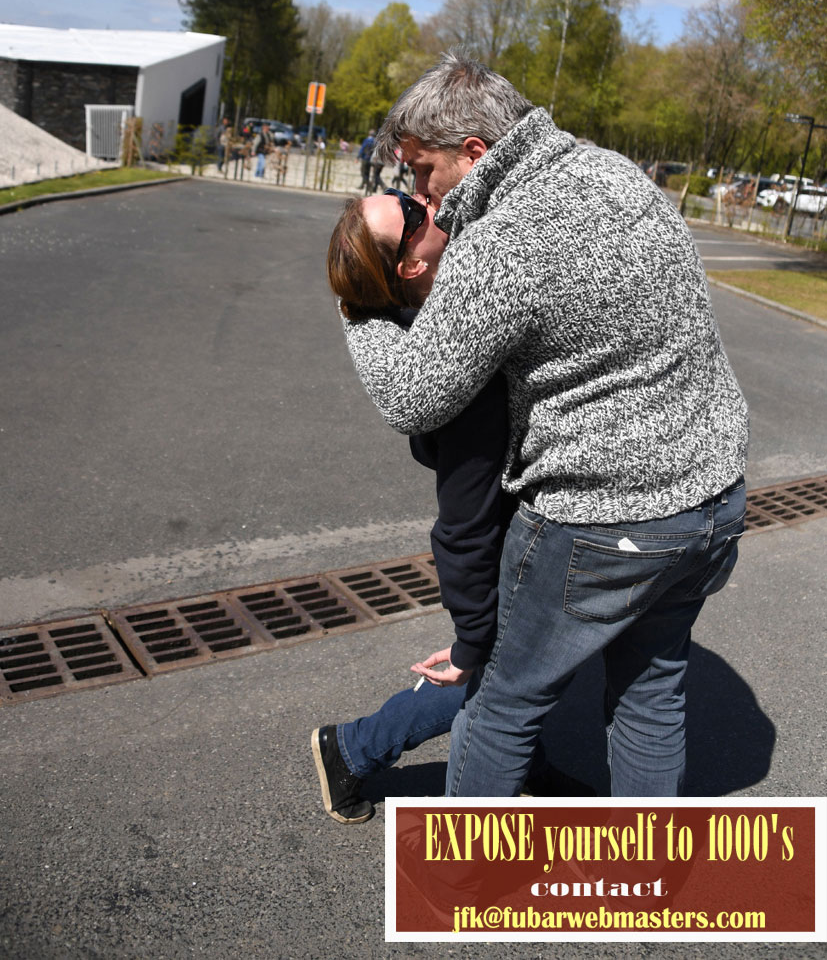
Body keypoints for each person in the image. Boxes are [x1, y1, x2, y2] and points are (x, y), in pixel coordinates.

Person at [340, 51, 749, 799]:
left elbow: (412, 399)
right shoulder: (616, 172)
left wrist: (355, 305)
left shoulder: (502, 240)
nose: (421, 194)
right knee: (651, 693)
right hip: (713, 498)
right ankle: (647, 862)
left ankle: (470, 865)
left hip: (605, 518)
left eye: (423, 172)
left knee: (503, 704)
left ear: (473, 153)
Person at [314, 189, 590, 823]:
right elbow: (463, 523)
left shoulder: (455, 296)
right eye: (411, 212)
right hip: (516, 538)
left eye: (406, 190)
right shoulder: (457, 363)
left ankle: (522, 762)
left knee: (537, 665)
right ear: (411, 264)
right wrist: (471, 635)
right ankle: (353, 749)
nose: (423, 199)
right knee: (506, 672)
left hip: (537, 523)